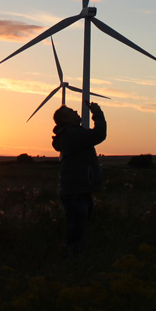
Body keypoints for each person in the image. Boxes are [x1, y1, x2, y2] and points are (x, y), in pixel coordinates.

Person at [51, 102, 106, 256]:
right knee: (77, 228)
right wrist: (97, 113)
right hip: (76, 189)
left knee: (77, 227)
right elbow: (99, 134)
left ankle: (74, 257)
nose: (76, 111)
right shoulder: (71, 133)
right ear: (66, 118)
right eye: (71, 110)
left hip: (76, 188)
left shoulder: (69, 134)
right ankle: (74, 259)